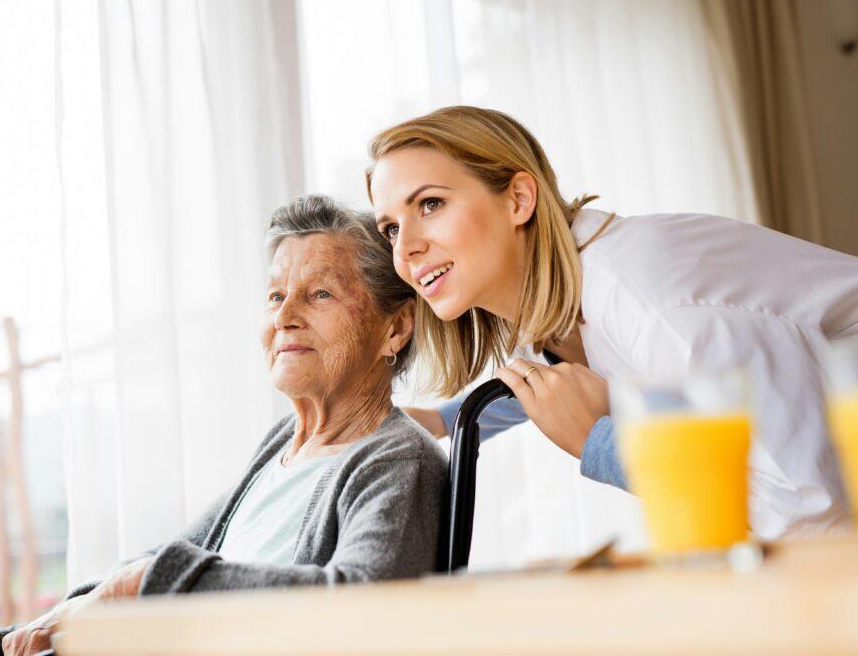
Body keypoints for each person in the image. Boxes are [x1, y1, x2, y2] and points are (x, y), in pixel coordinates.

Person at [366, 105, 858, 540]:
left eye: (430, 204)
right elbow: (551, 384)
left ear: (518, 199)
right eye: (390, 228)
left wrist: (600, 443)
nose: (405, 248)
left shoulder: (652, 302)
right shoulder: (556, 311)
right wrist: (441, 421)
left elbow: (813, 519)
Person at [0, 195, 447, 656]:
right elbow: (173, 555)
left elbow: (366, 605)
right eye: (275, 296)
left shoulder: (397, 461)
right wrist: (65, 612)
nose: (284, 317)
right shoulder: (282, 447)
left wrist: (139, 585)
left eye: (320, 294)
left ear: (396, 327)